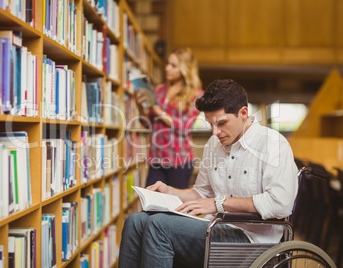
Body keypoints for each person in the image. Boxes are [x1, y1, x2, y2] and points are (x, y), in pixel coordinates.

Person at [119, 79, 299, 268]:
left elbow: (281, 204)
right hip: (217, 229)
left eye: (221, 123)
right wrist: (170, 191)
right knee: (135, 221)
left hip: (254, 241)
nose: (215, 132)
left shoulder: (273, 144)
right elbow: (201, 193)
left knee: (159, 225)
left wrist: (218, 203)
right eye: (210, 124)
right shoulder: (214, 145)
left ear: (243, 113)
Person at [136, 47, 203, 189]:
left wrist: (157, 110)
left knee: (174, 207)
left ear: (185, 69)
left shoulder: (195, 95)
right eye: (167, 64)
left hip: (179, 161)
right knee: (150, 204)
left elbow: (185, 126)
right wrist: (141, 106)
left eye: (173, 66)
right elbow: (148, 124)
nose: (167, 68)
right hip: (156, 158)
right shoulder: (160, 90)